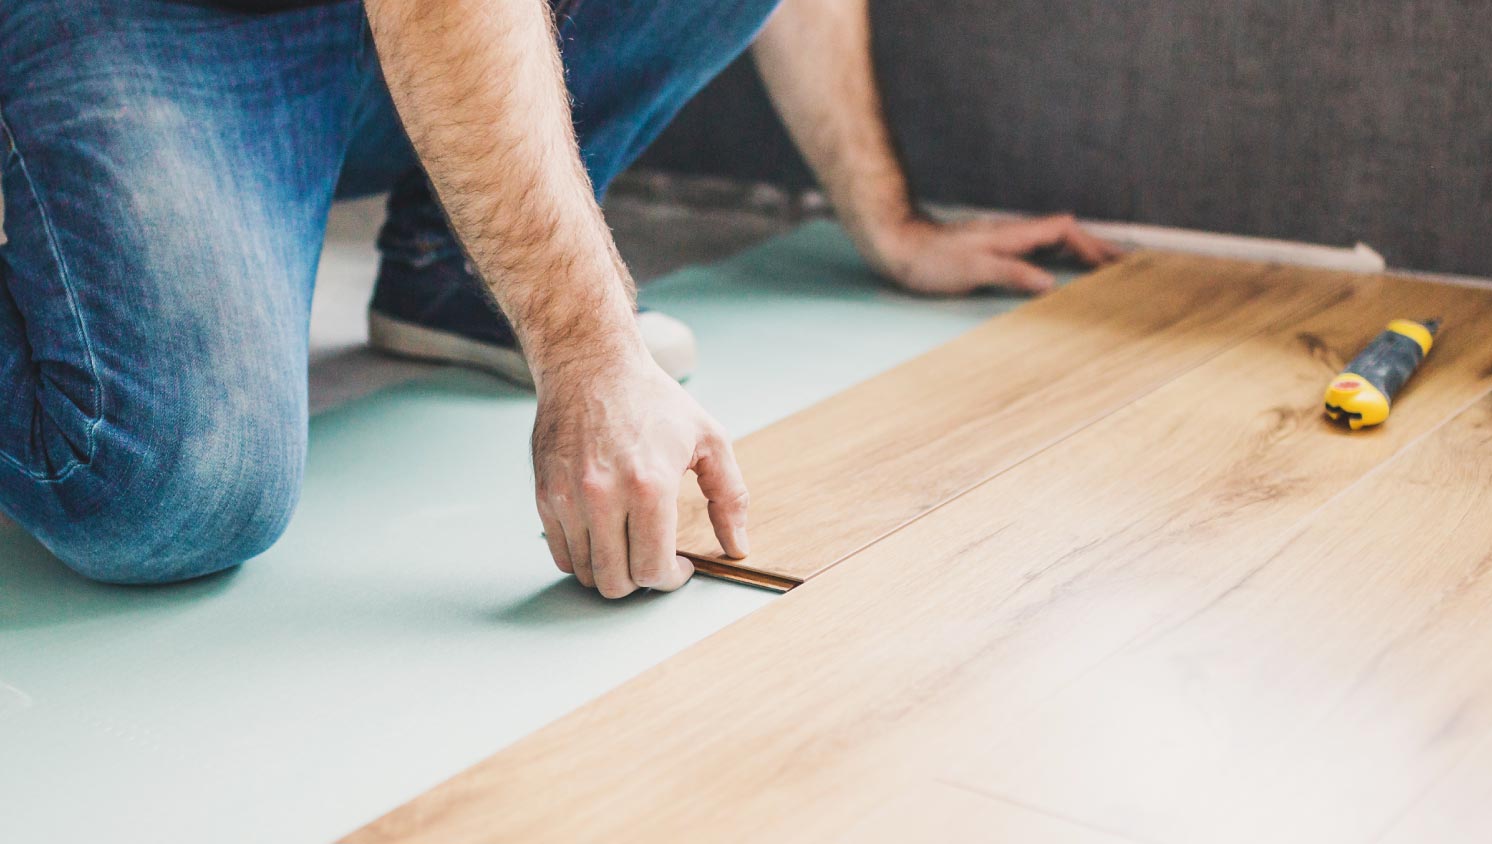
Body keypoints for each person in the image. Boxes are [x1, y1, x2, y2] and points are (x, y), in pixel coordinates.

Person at [0, 0, 1119, 597]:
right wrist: (586, 351)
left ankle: (457, 275)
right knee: (166, 487)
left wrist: (888, 220)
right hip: (142, 18)